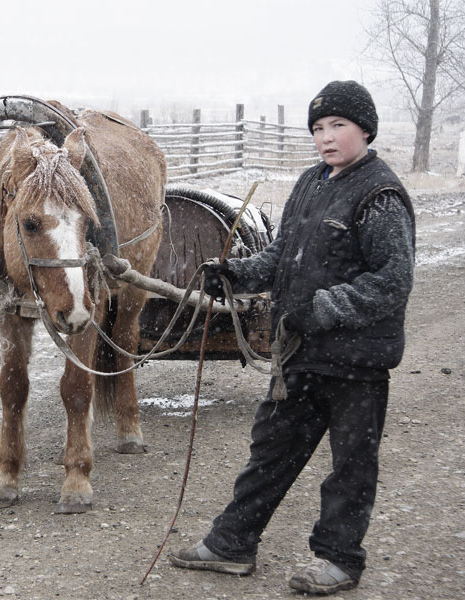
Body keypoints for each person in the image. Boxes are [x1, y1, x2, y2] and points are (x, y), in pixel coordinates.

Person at [170, 80, 415, 595]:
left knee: (350, 466)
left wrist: (322, 308)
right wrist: (236, 273)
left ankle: (341, 560)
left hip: (357, 362)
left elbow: (391, 282)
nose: (327, 137)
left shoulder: (380, 194)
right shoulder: (311, 183)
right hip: (301, 354)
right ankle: (231, 545)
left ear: (365, 129)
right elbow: (283, 256)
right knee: (271, 451)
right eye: (318, 128)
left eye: (338, 126)